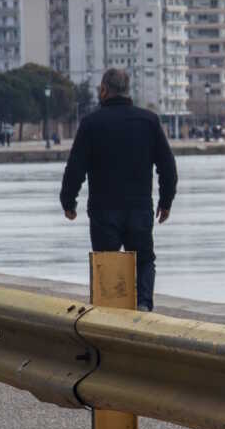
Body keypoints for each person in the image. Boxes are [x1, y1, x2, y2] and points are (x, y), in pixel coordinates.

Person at [59, 67, 177, 310]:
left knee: (108, 261)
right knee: (144, 260)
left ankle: (110, 313)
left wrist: (68, 202)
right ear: (127, 90)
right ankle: (144, 306)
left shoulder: (91, 124)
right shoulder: (149, 121)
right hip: (140, 207)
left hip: (104, 210)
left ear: (104, 90)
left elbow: (75, 168)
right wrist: (166, 201)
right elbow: (167, 166)